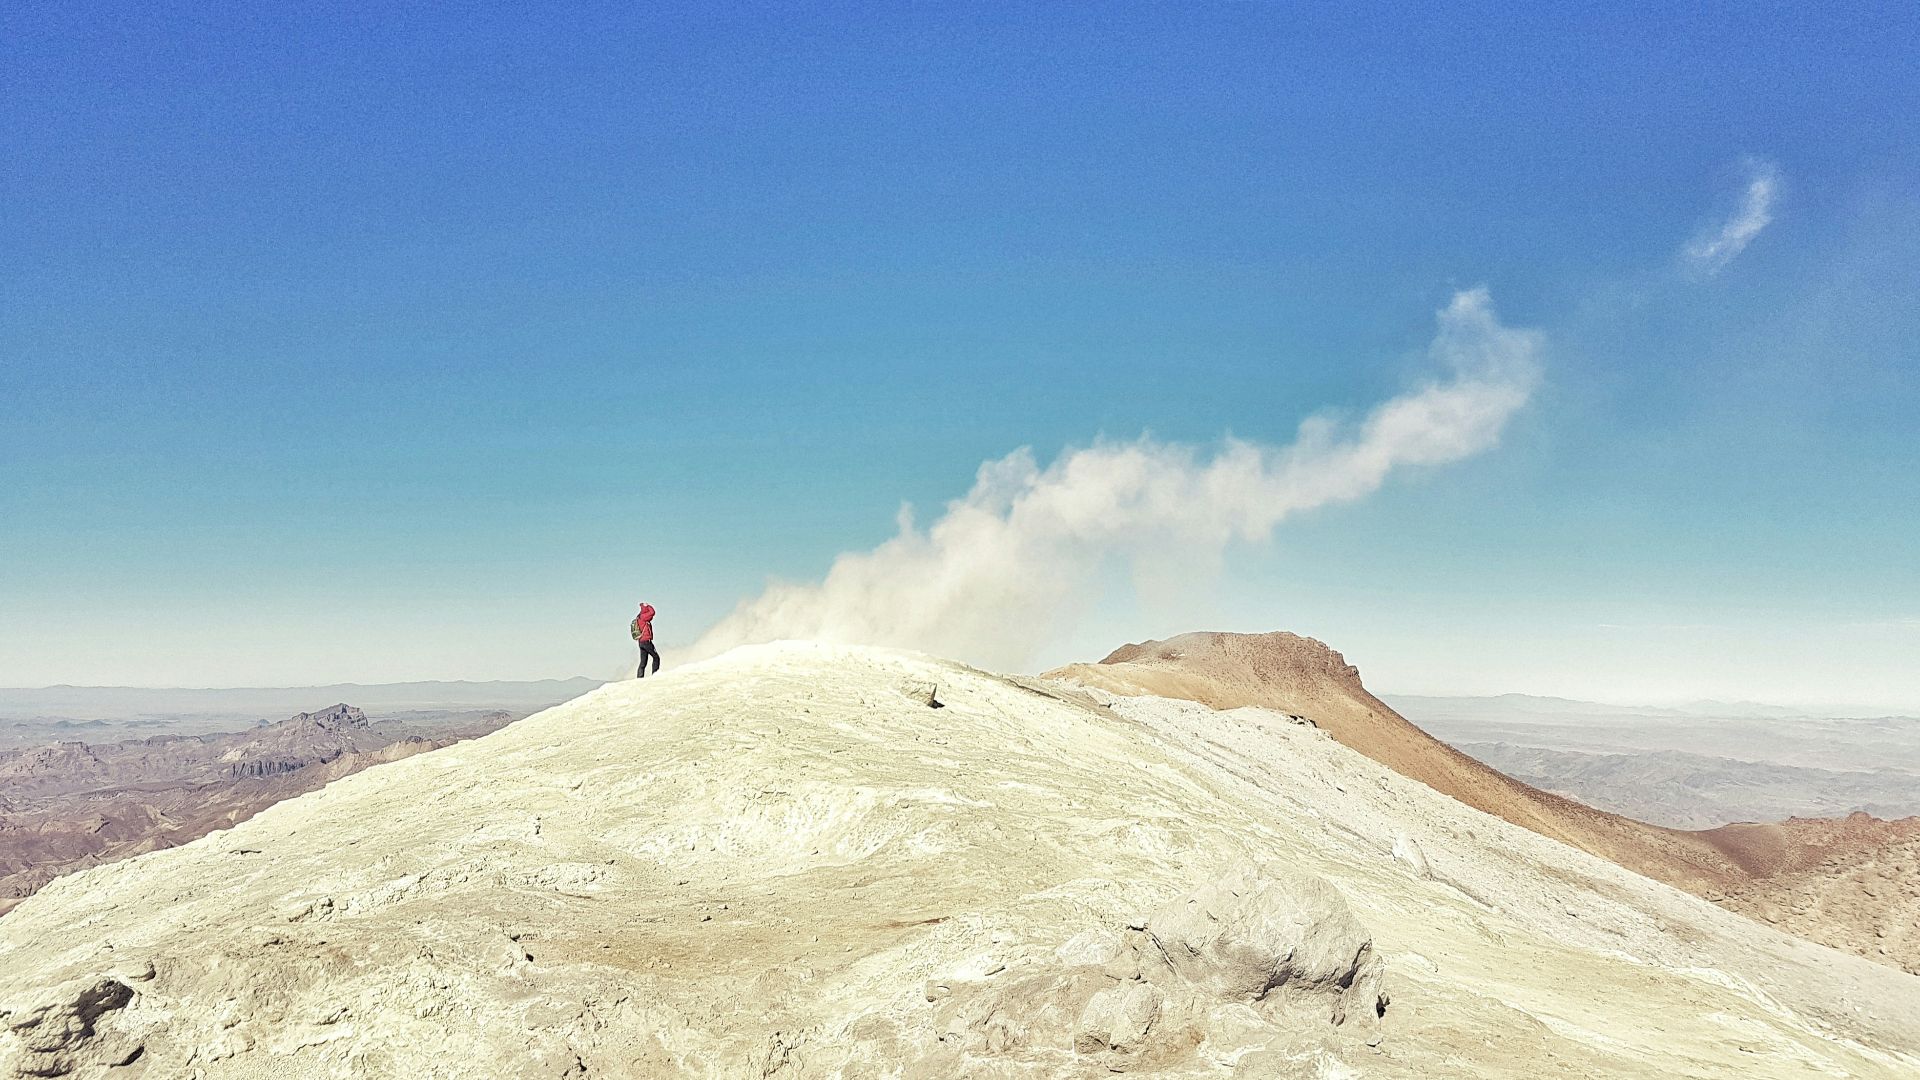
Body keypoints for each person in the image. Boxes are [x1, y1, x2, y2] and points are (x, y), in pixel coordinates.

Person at [631, 602, 660, 678]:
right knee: (656, 657)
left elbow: (651, 616)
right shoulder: (644, 617)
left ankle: (640, 677)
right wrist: (648, 606)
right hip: (646, 641)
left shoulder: (640, 617)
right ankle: (655, 675)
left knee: (643, 662)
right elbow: (652, 612)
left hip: (641, 642)